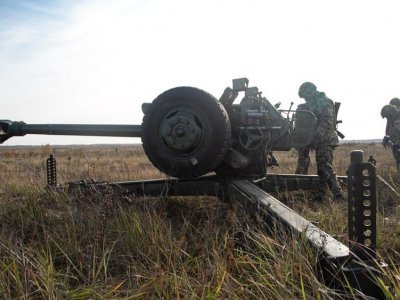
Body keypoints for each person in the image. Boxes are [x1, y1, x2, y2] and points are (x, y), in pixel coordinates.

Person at [295, 82, 344, 202]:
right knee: (302, 163)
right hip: (309, 139)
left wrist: (314, 138)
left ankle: (338, 196)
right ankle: (308, 193)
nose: (305, 98)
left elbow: (327, 122)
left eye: (305, 95)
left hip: (325, 139)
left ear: (311, 92)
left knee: (324, 167)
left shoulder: (325, 102)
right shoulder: (307, 105)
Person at [381, 103, 400, 172]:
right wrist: (387, 138)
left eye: (387, 116)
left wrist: (397, 144)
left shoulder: (397, 118)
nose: (387, 119)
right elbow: (392, 134)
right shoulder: (393, 120)